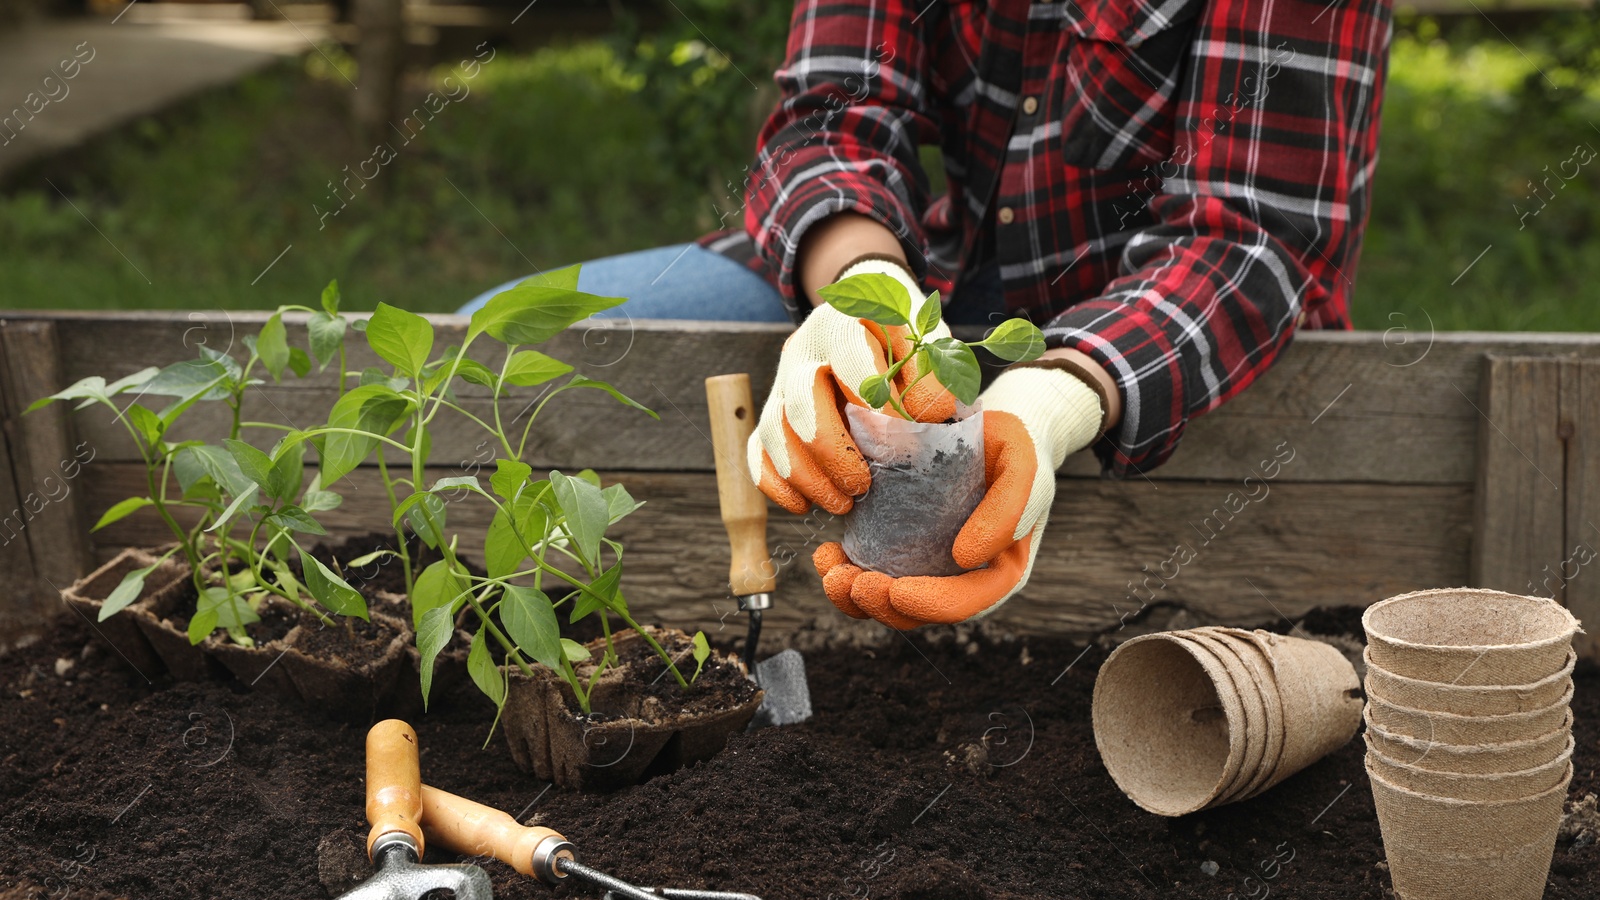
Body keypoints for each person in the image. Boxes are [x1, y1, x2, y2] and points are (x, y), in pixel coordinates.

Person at [460, 0, 1394, 630]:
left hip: (1158, 341)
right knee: (483, 342)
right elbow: (832, 114)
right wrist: (867, 292)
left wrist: (1052, 404)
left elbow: (1247, 238)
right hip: (928, 268)